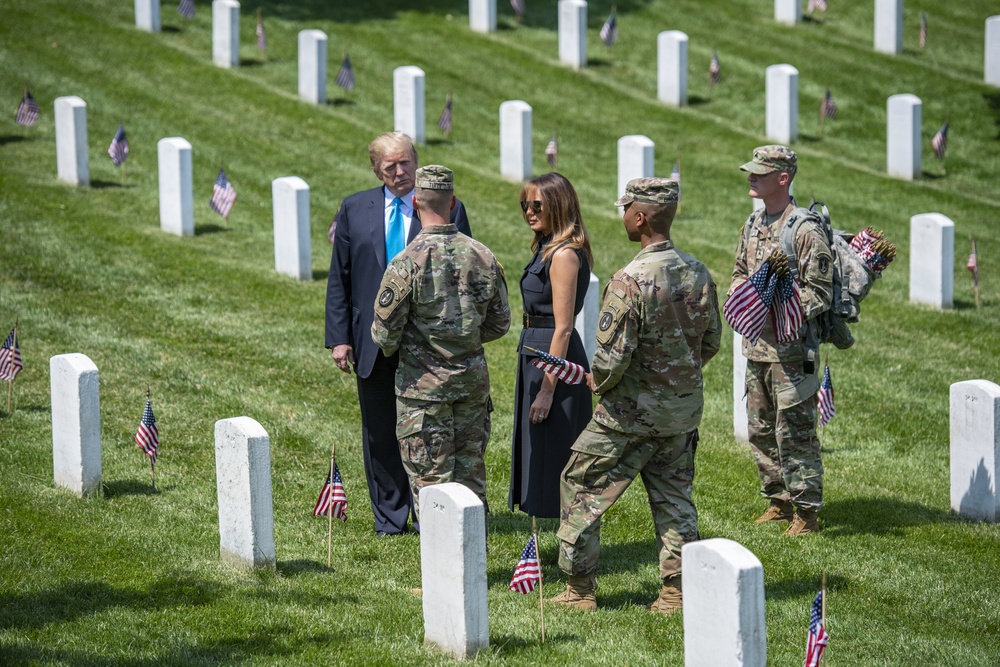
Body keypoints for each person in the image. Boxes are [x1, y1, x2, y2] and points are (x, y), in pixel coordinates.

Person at [552, 178, 721, 613]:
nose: (621, 214)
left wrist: (598, 381)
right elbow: (711, 342)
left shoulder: (631, 280)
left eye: (625, 208)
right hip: (680, 415)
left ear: (640, 217)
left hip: (627, 418)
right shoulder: (699, 271)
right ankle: (676, 593)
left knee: (579, 483)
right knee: (674, 501)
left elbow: (610, 359)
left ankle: (579, 589)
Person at [325, 132, 472, 537]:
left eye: (406, 162)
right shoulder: (355, 208)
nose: (400, 171)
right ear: (376, 169)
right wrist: (340, 337)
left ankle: (436, 515)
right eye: (390, 166)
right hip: (372, 342)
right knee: (379, 431)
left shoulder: (444, 209)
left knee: (429, 431)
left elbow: (463, 272)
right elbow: (341, 278)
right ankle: (390, 518)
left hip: (427, 344)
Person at [371, 165, 510, 518]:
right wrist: (462, 337)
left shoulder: (406, 263)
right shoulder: (483, 256)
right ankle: (475, 568)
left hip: (423, 393)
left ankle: (444, 571)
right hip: (471, 387)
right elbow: (500, 322)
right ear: (453, 202)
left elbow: (385, 334)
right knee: (471, 482)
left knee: (432, 485)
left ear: (415, 201)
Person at [730, 145, 833, 536]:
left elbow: (819, 293)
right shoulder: (754, 224)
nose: (751, 177)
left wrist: (778, 308)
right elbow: (740, 270)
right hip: (757, 348)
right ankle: (778, 500)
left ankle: (807, 512)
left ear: (783, 178)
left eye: (760, 171)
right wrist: (746, 299)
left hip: (791, 352)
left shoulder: (804, 230)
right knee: (760, 428)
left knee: (794, 432)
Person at [509, 172, 594, 519]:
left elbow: (562, 328)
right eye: (524, 205)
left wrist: (547, 389)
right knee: (539, 452)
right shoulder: (546, 247)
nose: (529, 211)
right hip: (535, 350)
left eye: (537, 205)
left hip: (552, 358)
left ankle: (573, 548)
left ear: (557, 205)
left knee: (554, 455)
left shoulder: (563, 256)